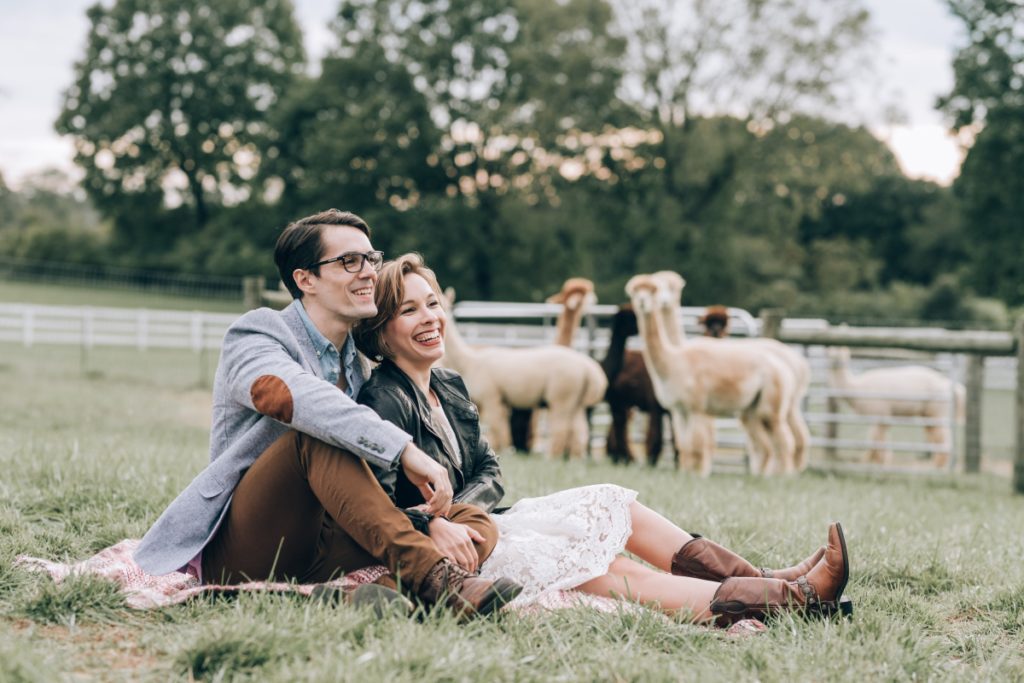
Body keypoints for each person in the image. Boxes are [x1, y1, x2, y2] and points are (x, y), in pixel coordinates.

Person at [354, 253, 852, 625]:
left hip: (481, 523)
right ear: (381, 331)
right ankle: (797, 603)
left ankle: (770, 578)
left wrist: (465, 511)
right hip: (452, 551)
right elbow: (371, 505)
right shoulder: (385, 401)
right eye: (409, 311)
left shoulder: (449, 385)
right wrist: (439, 523)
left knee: (616, 502)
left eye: (433, 304)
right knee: (604, 566)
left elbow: (490, 469)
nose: (430, 318)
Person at [132, 210, 522, 619]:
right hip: (246, 545)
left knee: (468, 519)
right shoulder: (258, 334)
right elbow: (292, 397)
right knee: (315, 436)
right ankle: (439, 580)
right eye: (350, 261)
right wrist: (403, 449)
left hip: (324, 543)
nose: (369, 272)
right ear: (305, 280)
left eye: (371, 259)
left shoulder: (359, 366)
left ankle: (369, 594)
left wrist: (432, 523)